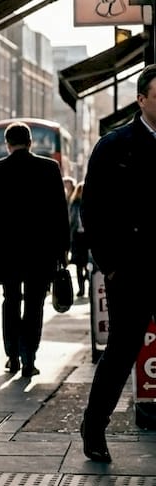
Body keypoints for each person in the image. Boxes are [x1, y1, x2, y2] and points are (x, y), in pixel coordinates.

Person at [79, 66, 156, 463]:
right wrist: (109, 264)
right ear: (141, 99)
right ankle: (94, 426)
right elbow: (92, 210)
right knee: (122, 353)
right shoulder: (114, 145)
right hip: (131, 270)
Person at [0, 122, 69, 379]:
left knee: (11, 300)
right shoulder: (49, 168)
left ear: (7, 144)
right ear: (30, 142)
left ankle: (12, 355)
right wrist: (64, 249)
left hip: (7, 248)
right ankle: (30, 358)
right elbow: (60, 212)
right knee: (35, 303)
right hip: (41, 249)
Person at [68, 182, 88, 298]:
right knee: (79, 266)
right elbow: (72, 222)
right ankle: (81, 288)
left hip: (86, 238)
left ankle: (90, 286)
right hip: (78, 238)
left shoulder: (89, 203)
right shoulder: (74, 204)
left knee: (88, 265)